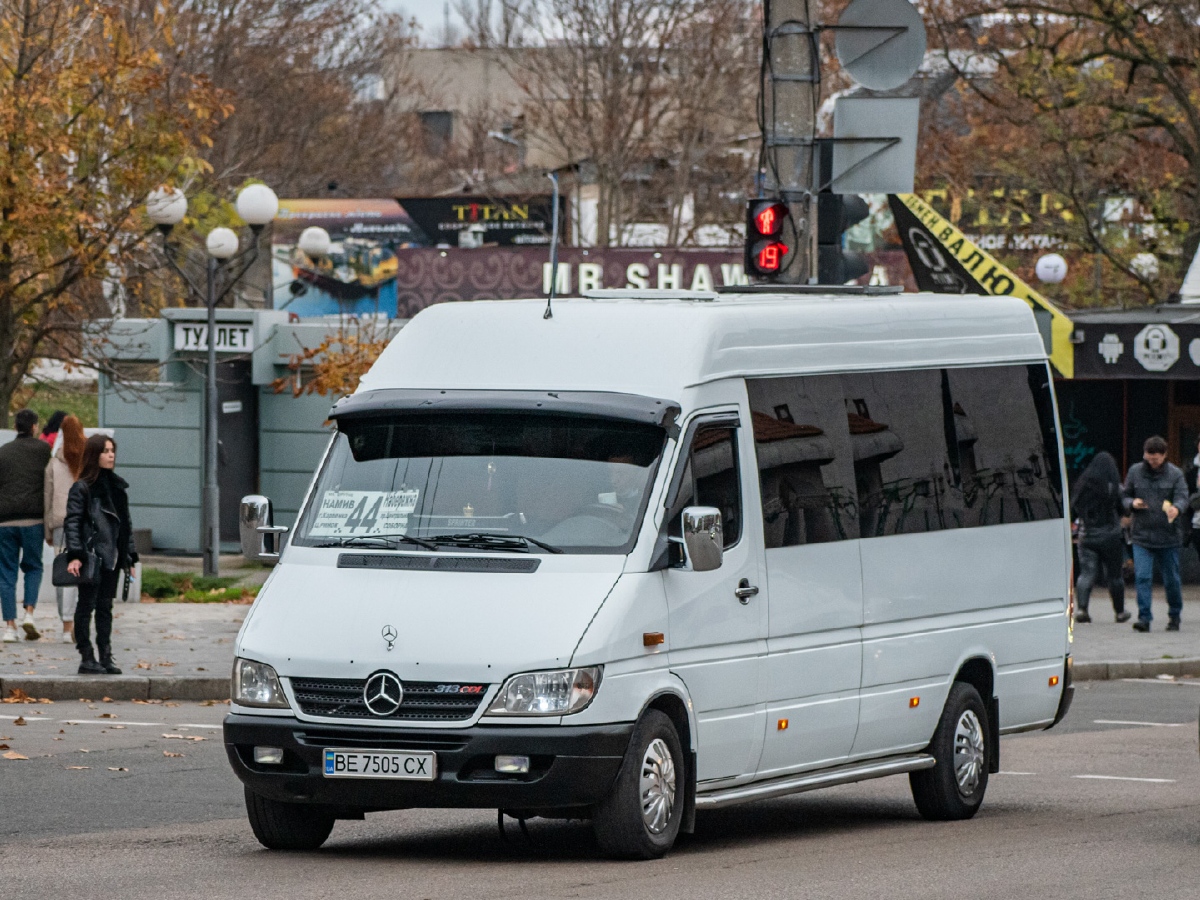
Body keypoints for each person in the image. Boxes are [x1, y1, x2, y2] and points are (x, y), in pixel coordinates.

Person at [63, 434, 137, 674]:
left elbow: (125, 524)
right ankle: (86, 655)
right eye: (105, 451)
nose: (111, 455)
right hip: (91, 556)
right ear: (95, 455)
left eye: (112, 450)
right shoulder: (82, 488)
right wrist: (76, 554)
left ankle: (106, 655)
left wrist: (130, 556)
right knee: (86, 606)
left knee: (106, 607)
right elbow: (72, 522)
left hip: (112, 557)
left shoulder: (117, 487)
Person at [1123, 435, 1188, 632]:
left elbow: (1182, 497)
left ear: (1164, 456)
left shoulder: (1175, 474)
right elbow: (1125, 496)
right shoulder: (1135, 471)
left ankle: (1174, 615)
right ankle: (1144, 618)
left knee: (1172, 580)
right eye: (1149, 458)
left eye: (1156, 459)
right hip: (1141, 536)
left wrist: (1177, 508)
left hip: (1168, 537)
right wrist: (1131, 504)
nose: (1152, 462)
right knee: (1142, 577)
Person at [0, 408, 52, 642]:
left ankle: (9, 627)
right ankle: (29, 613)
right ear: (34, 427)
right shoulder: (43, 450)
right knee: (33, 567)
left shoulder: (3, 452)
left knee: (6, 573)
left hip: (5, 521)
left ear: (15, 427)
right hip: (33, 520)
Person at [1071, 452, 1130, 623]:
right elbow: (1123, 508)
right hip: (1111, 536)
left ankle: (1082, 609)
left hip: (1086, 536)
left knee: (1086, 573)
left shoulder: (1081, 486)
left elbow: (1074, 508)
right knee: (1114, 576)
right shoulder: (1114, 487)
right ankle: (1119, 612)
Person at [44, 415, 86, 643]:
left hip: (61, 522)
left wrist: (48, 531)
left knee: (64, 572)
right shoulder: (87, 461)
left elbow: (47, 498)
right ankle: (79, 622)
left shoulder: (53, 464)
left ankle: (66, 625)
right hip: (84, 525)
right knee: (83, 571)